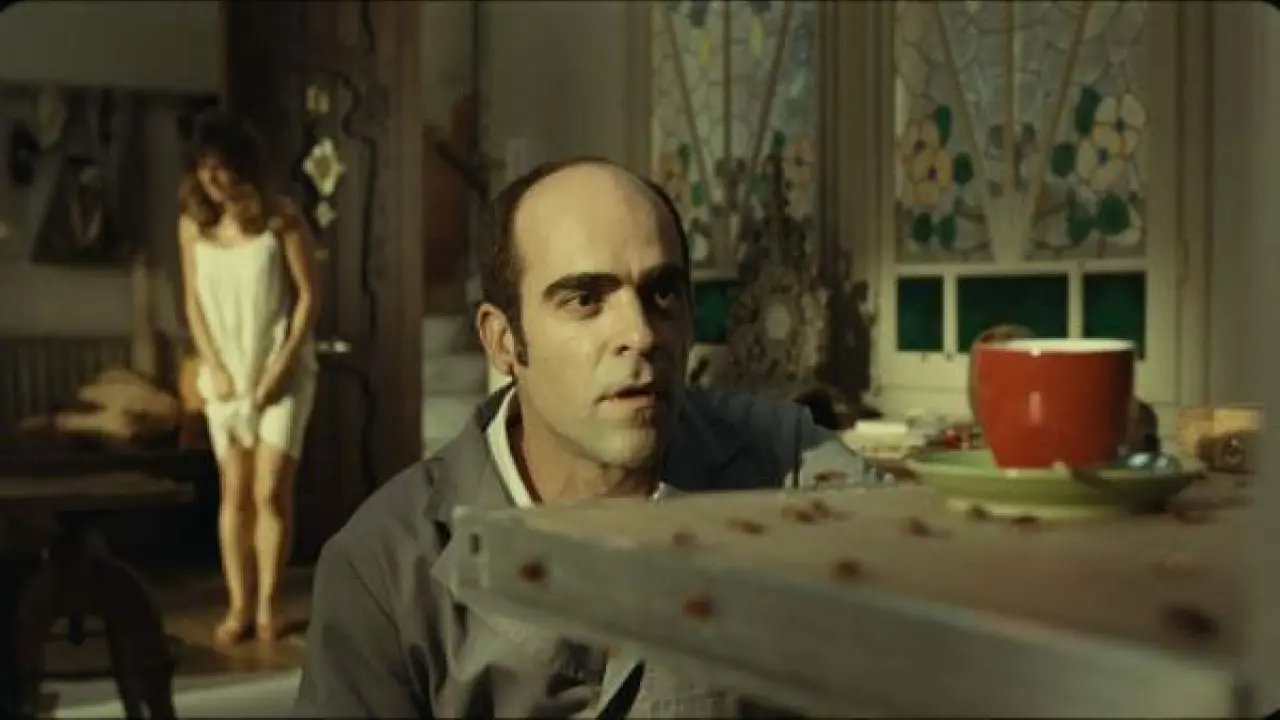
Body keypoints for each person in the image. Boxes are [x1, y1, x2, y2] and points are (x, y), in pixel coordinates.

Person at [294, 158, 870, 717]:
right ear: (503, 341)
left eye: (663, 294)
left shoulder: (788, 468)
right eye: (585, 300)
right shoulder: (385, 567)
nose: (640, 334)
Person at [177, 111, 319, 646]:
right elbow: (192, 301)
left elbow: (308, 297)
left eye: (221, 165)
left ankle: (268, 607)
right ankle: (238, 605)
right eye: (204, 166)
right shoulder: (192, 225)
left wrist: (280, 368)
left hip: (280, 369)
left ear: (242, 166)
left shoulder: (281, 218)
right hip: (226, 373)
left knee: (270, 492)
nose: (212, 177)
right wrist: (212, 364)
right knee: (234, 491)